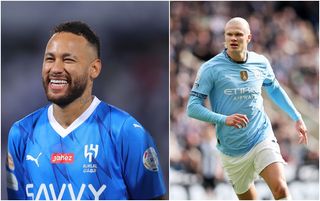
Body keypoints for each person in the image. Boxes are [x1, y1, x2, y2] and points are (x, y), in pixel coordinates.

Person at [6, 21, 166, 200]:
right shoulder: (21, 133)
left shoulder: (125, 132)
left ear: (94, 69)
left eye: (68, 60)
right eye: (50, 59)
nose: (56, 69)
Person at [187, 17, 308, 200]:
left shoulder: (260, 62)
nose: (233, 38)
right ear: (224, 38)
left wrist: (296, 117)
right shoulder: (210, 68)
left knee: (281, 189)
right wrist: (224, 119)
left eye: (238, 34)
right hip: (232, 149)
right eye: (229, 34)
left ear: (249, 38)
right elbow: (192, 108)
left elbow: (274, 89)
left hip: (261, 136)